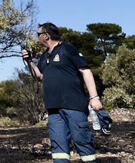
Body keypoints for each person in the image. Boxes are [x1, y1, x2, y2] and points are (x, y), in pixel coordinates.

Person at [22, 22, 103, 163]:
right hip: (53, 109)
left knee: (82, 141)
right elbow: (40, 76)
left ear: (46, 36)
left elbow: (86, 72)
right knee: (58, 148)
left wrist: (94, 97)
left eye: (38, 34)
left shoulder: (67, 49)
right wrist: (30, 61)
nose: (37, 37)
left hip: (74, 106)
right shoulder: (44, 56)